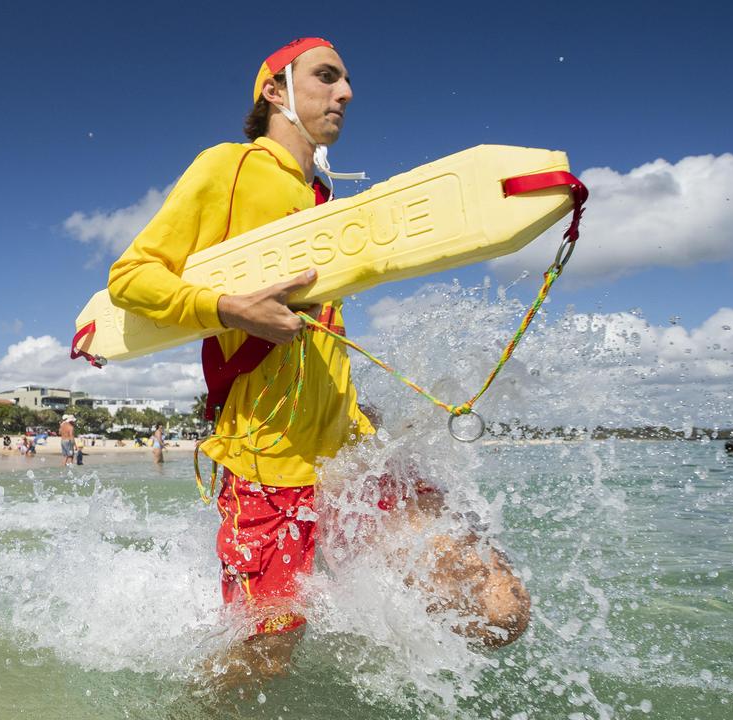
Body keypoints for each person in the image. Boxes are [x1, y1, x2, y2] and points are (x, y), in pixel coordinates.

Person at [106, 37, 528, 680]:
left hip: (350, 452)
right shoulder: (230, 167)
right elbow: (131, 278)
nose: (346, 93)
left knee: (497, 608)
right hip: (266, 463)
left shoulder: (325, 202)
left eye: (347, 80)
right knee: (265, 661)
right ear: (275, 92)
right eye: (326, 77)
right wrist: (230, 308)